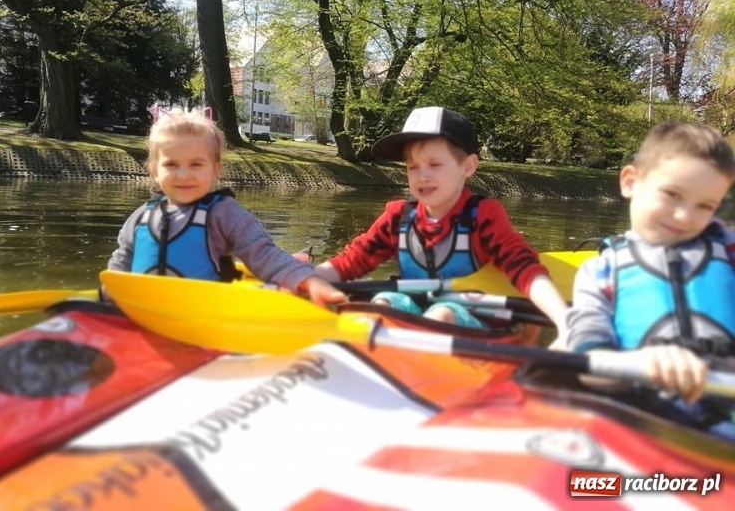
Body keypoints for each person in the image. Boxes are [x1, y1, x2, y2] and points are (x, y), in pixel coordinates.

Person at [313, 106, 569, 339]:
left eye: (434, 164)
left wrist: (565, 321)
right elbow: (352, 260)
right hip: (411, 308)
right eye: (412, 167)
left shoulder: (484, 217)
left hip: (471, 318)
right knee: (380, 306)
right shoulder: (397, 216)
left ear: (468, 167)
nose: (422, 176)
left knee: (441, 314)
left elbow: (524, 268)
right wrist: (302, 279)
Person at [566, 120, 735, 439]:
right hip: (644, 420)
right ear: (630, 181)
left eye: (705, 206)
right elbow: (589, 364)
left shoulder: (727, 252)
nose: (685, 216)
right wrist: (640, 363)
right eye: (672, 194)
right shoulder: (600, 273)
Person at [107, 110, 347, 308]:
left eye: (196, 164)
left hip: (204, 316)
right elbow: (122, 260)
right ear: (154, 170)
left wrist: (308, 280)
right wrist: (108, 295)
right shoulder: (141, 215)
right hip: (142, 312)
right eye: (171, 164)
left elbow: (263, 253)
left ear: (215, 169)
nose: (183, 174)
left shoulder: (223, 213)